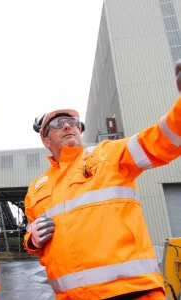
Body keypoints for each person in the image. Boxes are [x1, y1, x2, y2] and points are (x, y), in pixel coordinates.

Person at [23, 61, 181, 300]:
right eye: (56, 124)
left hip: (133, 292)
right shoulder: (36, 189)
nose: (67, 125)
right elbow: (31, 233)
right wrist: (32, 239)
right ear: (46, 141)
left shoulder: (107, 154)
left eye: (73, 122)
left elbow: (160, 141)